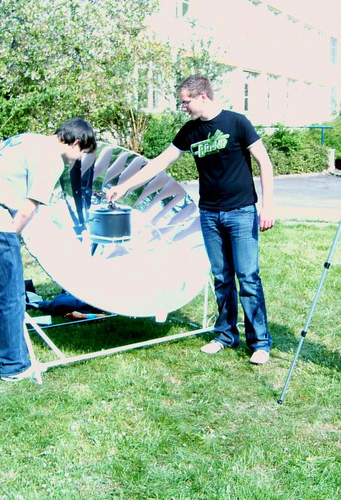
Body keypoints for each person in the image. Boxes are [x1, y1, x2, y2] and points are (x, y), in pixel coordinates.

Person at [107, 75, 275, 364]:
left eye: (185, 102)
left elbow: (264, 162)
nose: (183, 107)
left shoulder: (237, 122)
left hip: (241, 212)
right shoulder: (190, 130)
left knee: (248, 278)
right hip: (209, 214)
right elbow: (160, 162)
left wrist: (267, 206)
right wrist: (125, 186)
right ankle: (226, 335)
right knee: (221, 278)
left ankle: (260, 342)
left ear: (202, 97)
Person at [0, 118, 97, 382]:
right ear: (75, 143)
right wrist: (9, 238)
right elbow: (28, 209)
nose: (79, 159)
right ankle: (14, 367)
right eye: (82, 153)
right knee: (11, 295)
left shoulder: (28, 138)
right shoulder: (52, 160)